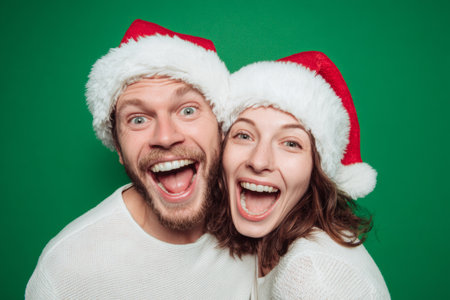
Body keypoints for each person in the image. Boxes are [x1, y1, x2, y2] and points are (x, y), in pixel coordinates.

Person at [25, 19, 255, 299]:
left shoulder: (264, 225)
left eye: (187, 111)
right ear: (119, 149)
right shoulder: (67, 271)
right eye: (138, 119)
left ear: (221, 130)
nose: (166, 136)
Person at [209, 51, 390, 299]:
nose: (259, 161)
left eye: (291, 143)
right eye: (244, 135)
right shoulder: (270, 245)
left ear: (317, 169)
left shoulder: (310, 275)